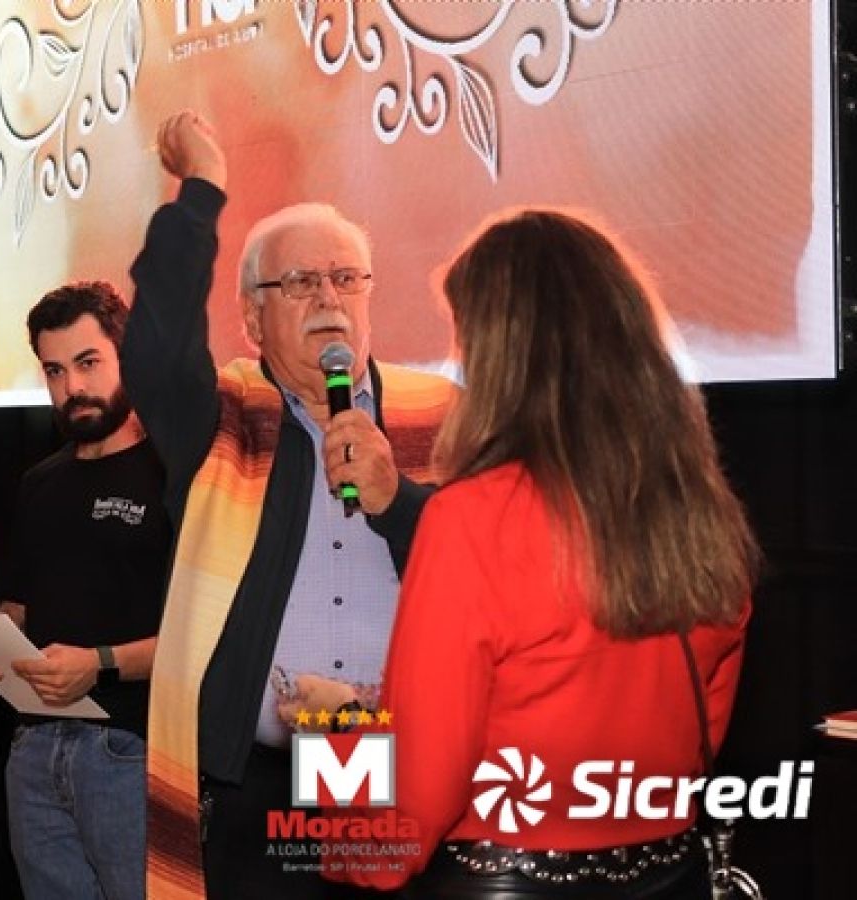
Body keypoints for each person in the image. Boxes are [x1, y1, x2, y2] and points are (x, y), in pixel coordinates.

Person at [327, 210, 757, 896]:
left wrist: (326, 762)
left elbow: (408, 811)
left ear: (501, 361)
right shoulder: (700, 515)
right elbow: (697, 745)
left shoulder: (473, 519)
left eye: (464, 342)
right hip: (668, 876)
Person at [121, 110, 455, 898]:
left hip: (396, 760)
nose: (329, 297)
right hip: (263, 777)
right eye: (300, 282)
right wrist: (202, 189)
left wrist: (397, 501)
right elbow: (156, 348)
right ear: (252, 318)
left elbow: (495, 580)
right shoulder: (222, 417)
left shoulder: (442, 414)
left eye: (347, 278)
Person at [0, 281, 170, 900]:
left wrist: (100, 663)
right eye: (55, 370)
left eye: (88, 362)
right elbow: (18, 607)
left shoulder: (178, 476)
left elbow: (208, 638)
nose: (73, 387)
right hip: (33, 748)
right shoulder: (39, 483)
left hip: (131, 750)